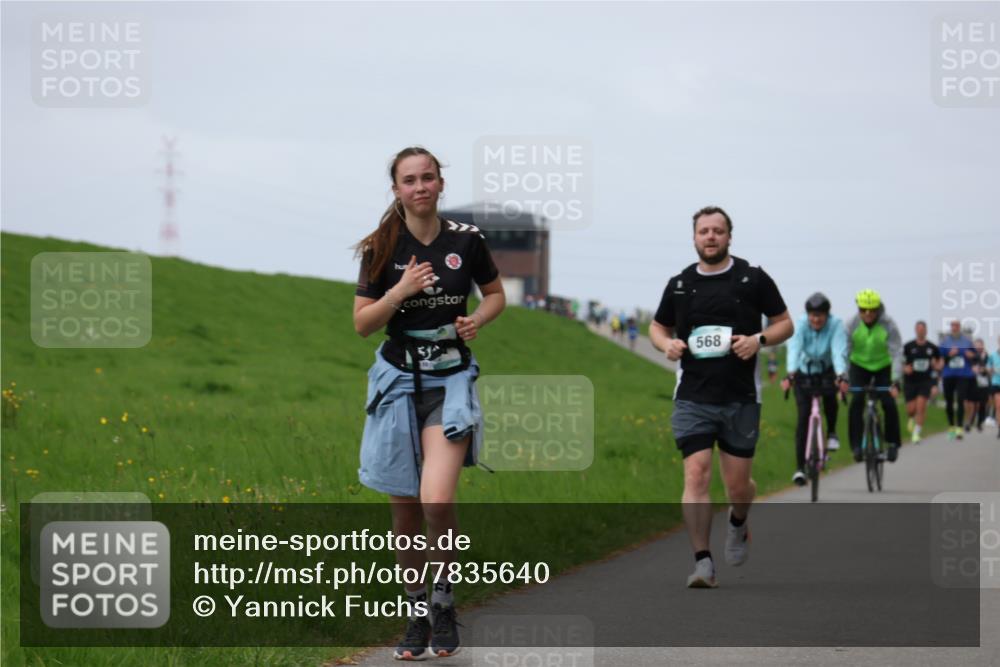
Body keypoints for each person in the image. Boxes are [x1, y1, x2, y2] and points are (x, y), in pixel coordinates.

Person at [353, 146, 505, 660]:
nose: (420, 187)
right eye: (409, 180)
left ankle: (443, 604)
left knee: (436, 501)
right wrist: (399, 291)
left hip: (450, 383)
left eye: (428, 178)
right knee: (405, 512)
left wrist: (475, 320)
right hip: (397, 385)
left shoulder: (467, 240)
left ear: (441, 183)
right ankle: (416, 613)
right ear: (396, 189)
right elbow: (362, 323)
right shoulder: (381, 246)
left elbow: (495, 295)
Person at [650, 206, 792, 589]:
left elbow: (785, 324)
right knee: (696, 473)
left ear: (729, 236)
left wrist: (758, 339)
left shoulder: (752, 278)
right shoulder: (680, 284)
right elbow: (657, 327)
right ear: (694, 237)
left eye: (717, 230)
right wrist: (666, 345)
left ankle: (738, 521)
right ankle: (703, 562)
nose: (710, 236)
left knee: (738, 487)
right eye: (704, 231)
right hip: (693, 395)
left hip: (740, 396)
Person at [780, 292, 849, 486]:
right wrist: (790, 373)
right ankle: (800, 469)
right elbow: (794, 349)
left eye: (820, 316)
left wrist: (841, 374)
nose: (816, 320)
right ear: (807, 314)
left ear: (827, 315)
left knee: (830, 400)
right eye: (812, 315)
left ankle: (832, 432)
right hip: (804, 371)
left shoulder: (836, 325)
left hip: (827, 370)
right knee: (803, 419)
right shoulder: (800, 324)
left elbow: (838, 351)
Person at [845, 289, 903, 464]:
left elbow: (897, 352)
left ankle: (892, 443)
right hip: (858, 365)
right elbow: (844, 352)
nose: (868, 314)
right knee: (856, 401)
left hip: (882, 366)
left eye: (872, 310)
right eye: (863, 310)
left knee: (888, 402)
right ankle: (856, 445)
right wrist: (844, 377)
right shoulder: (851, 324)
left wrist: (896, 380)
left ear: (878, 309)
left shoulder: (889, 324)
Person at [903, 320, 941, 443]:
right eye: (918, 329)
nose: (920, 331)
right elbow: (900, 361)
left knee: (921, 407)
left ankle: (916, 433)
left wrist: (937, 371)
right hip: (910, 381)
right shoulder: (908, 346)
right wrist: (904, 368)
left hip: (925, 381)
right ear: (915, 330)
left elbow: (939, 362)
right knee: (911, 409)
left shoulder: (932, 347)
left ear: (926, 331)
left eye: (922, 329)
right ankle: (911, 418)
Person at [939, 320, 977, 440]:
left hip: (963, 374)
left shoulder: (967, 341)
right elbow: (939, 357)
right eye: (952, 326)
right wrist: (949, 354)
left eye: (956, 326)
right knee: (949, 401)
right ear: (951, 327)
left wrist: (971, 355)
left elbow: (975, 355)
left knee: (961, 399)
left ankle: (959, 427)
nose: (954, 328)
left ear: (959, 327)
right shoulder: (945, 341)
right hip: (948, 374)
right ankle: (951, 426)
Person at [969, 338, 991, 432]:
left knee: (982, 403)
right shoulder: (972, 356)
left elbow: (990, 369)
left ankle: (980, 422)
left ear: (983, 346)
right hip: (973, 381)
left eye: (980, 345)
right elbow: (970, 367)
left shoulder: (987, 356)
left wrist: (984, 369)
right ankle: (970, 421)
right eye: (976, 345)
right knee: (973, 403)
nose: (978, 347)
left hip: (984, 382)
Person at [989, 337, 1000, 439]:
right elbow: (988, 368)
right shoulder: (992, 355)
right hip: (996, 383)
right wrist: (992, 370)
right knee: (998, 406)